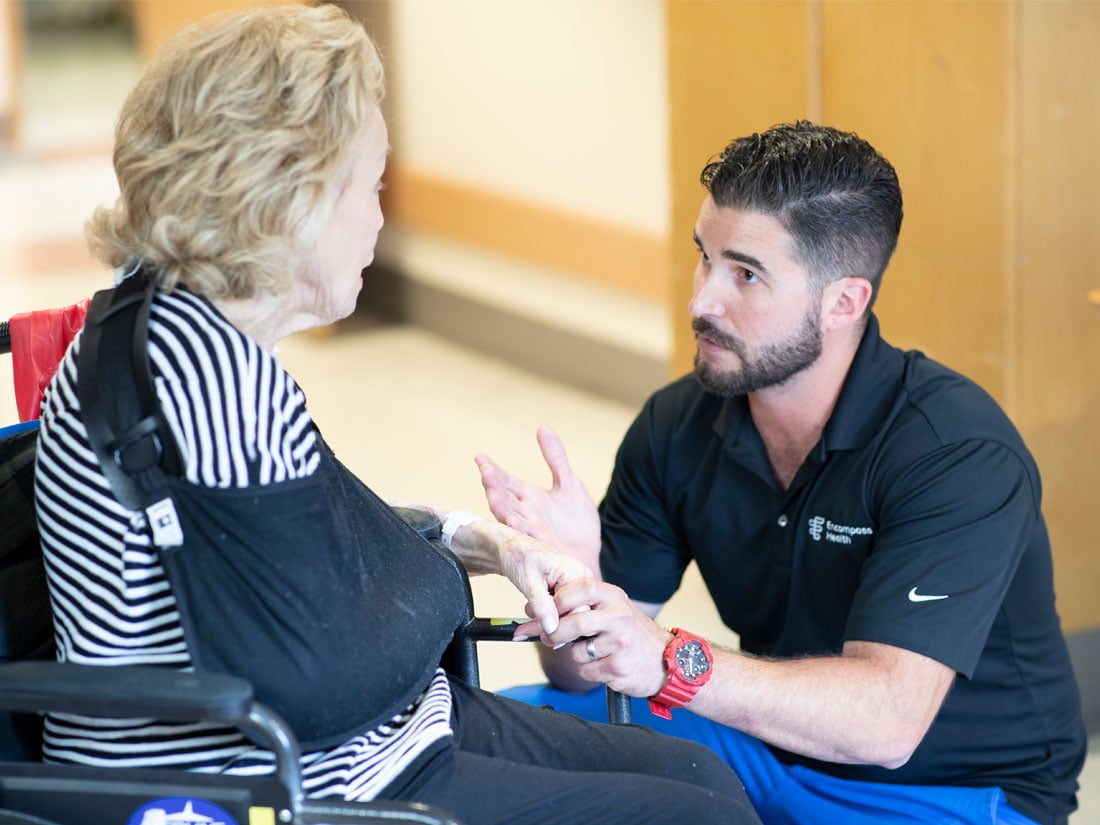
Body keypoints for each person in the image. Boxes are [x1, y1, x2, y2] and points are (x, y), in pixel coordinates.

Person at [31, 6, 764, 824]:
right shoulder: (197, 378)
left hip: (372, 735)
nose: (380, 218)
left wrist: (489, 543)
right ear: (290, 196)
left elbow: (324, 548)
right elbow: (323, 671)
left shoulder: (185, 332)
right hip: (277, 777)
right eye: (370, 186)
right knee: (701, 816)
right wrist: (437, 585)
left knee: (699, 775)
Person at [477, 121, 1088, 825]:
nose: (701, 302)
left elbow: (886, 724)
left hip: (951, 793)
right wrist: (579, 587)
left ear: (844, 303)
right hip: (765, 744)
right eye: (704, 258)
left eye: (746, 274)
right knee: (491, 735)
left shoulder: (957, 452)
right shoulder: (679, 422)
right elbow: (578, 679)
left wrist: (668, 658)